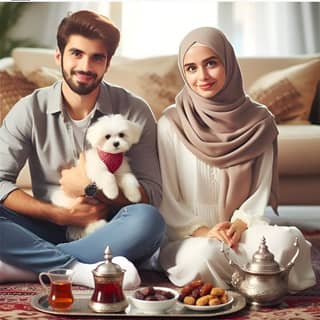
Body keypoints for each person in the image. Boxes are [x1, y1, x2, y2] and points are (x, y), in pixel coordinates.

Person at [0, 10, 165, 289]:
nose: (85, 66)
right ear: (58, 56)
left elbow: (152, 193)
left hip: (109, 228)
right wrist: (58, 214)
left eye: (97, 57)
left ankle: (26, 265)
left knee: (149, 221)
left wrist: (91, 188)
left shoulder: (134, 111)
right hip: (45, 223)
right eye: (76, 53)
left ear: (108, 63)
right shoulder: (29, 109)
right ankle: (78, 269)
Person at [157, 27, 316, 291]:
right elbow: (167, 198)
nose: (203, 76)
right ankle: (257, 278)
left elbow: (260, 190)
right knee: (203, 256)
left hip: (241, 234)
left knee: (291, 241)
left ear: (228, 62)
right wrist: (204, 231)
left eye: (211, 63)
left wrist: (239, 224)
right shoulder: (170, 123)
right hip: (190, 238)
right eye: (191, 68)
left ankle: (239, 276)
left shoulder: (259, 121)